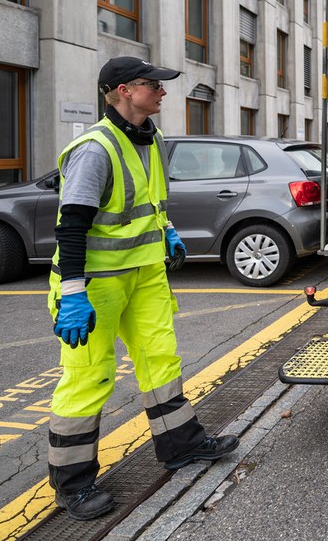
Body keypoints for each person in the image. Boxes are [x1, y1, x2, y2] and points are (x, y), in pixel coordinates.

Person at [46, 56, 238, 520]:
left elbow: (148, 201)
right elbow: (72, 226)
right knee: (89, 377)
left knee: (160, 359)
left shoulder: (150, 140)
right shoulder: (96, 149)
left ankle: (182, 445)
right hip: (95, 285)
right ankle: (71, 484)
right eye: (154, 85)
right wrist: (72, 292)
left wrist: (167, 228)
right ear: (125, 90)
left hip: (146, 274)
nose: (163, 93)